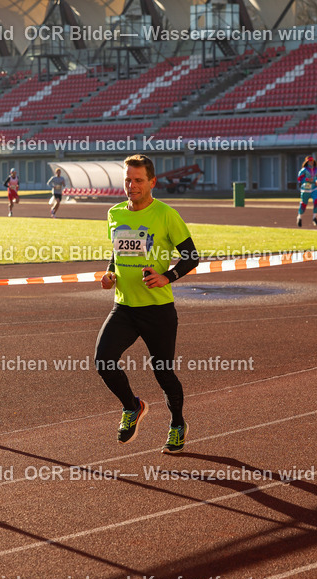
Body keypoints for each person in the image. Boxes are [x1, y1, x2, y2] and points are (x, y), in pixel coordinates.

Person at [96, 154, 200, 453]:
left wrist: (167, 277)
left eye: (138, 180)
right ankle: (133, 406)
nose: (132, 185)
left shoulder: (166, 214)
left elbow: (191, 256)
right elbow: (117, 253)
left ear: (152, 182)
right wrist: (109, 274)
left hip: (157, 310)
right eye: (127, 180)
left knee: (163, 371)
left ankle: (178, 424)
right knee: (103, 360)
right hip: (124, 307)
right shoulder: (115, 213)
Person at [296, 155, 317, 227]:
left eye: (312, 161)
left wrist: (316, 181)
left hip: (314, 189)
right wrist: (307, 180)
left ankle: (314, 218)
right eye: (309, 161)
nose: (311, 162)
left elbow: (316, 177)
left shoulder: (316, 169)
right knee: (303, 204)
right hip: (305, 189)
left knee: (316, 201)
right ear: (307, 162)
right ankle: (299, 217)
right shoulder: (304, 170)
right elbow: (299, 178)